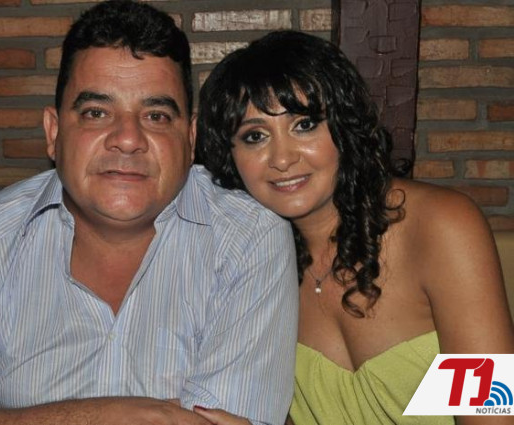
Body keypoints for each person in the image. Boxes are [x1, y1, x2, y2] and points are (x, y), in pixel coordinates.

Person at [0, 3, 299, 425]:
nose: (128, 139)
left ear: (190, 139)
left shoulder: (248, 238)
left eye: (156, 115)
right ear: (54, 131)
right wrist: (102, 414)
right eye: (96, 113)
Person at [193, 30, 514, 425]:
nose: (282, 158)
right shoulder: (251, 264)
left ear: (344, 127)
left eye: (304, 125)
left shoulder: (440, 226)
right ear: (231, 157)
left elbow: (492, 414)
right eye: (255, 136)